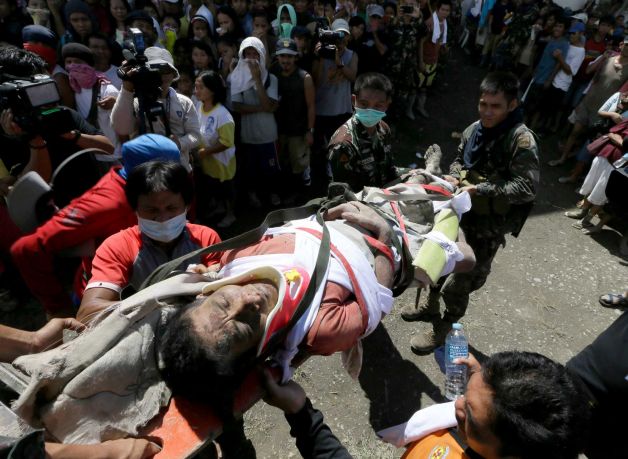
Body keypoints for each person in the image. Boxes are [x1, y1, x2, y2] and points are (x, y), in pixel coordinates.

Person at [405, 72, 539, 353]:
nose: (487, 112)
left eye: (495, 106)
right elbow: (458, 159)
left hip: (488, 226)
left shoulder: (520, 140)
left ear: (512, 105)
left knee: (460, 284)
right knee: (437, 264)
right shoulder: (474, 129)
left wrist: (482, 189)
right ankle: (429, 306)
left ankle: (443, 328)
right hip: (459, 215)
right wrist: (455, 177)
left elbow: (527, 187)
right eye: (483, 104)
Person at [10, 134, 180, 318]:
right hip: (107, 302)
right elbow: (27, 248)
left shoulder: (139, 189)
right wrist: (58, 307)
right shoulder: (108, 205)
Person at [76, 161, 222, 322]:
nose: (162, 218)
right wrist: (167, 297)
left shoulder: (206, 238)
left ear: (186, 206)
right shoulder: (116, 247)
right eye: (151, 210)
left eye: (171, 208)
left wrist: (210, 277)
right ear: (135, 210)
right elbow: (87, 313)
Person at [110, 46, 201, 171]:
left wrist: (179, 143)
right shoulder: (134, 102)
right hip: (146, 170)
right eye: (156, 70)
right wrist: (126, 88)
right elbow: (121, 128)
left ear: (173, 74)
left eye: (166, 70)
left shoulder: (184, 102)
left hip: (179, 169)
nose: (162, 76)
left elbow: (196, 135)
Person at [230, 36, 281, 208]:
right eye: (248, 54)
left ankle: (273, 194)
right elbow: (237, 107)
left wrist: (257, 80)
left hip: (268, 134)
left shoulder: (271, 79)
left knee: (271, 169)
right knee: (251, 170)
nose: (251, 58)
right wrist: (263, 108)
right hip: (248, 135)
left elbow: (268, 104)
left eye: (255, 53)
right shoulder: (236, 78)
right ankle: (253, 196)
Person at [328, 72, 397, 191]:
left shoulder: (384, 129)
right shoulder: (343, 144)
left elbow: (389, 170)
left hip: (385, 197)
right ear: (354, 100)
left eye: (378, 106)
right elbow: (343, 193)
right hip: (357, 206)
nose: (370, 110)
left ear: (387, 104)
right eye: (364, 104)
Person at [271, 37, 316, 199]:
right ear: (277, 56)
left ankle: (299, 196)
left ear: (295, 57)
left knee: (298, 164)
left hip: (298, 129)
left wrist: (310, 130)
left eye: (289, 56)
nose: (286, 60)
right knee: (282, 163)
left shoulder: (305, 77)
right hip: (278, 128)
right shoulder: (273, 72)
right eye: (282, 56)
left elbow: (311, 106)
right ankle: (285, 193)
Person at [193, 70, 237, 227]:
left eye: (200, 88)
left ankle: (230, 214)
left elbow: (227, 142)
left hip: (221, 162)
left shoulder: (222, 115)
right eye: (196, 87)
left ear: (212, 90)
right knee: (213, 186)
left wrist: (207, 152)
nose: (196, 91)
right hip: (207, 161)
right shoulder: (199, 106)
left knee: (226, 188)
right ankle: (219, 209)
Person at [417, 0, 451, 118]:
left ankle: (420, 107)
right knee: (416, 86)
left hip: (433, 60)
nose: (445, 13)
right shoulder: (430, 23)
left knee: (425, 86)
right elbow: (421, 42)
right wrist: (421, 61)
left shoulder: (444, 23)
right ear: (437, 9)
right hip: (424, 60)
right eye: (443, 10)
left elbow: (440, 42)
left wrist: (443, 49)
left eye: (447, 10)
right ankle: (410, 109)